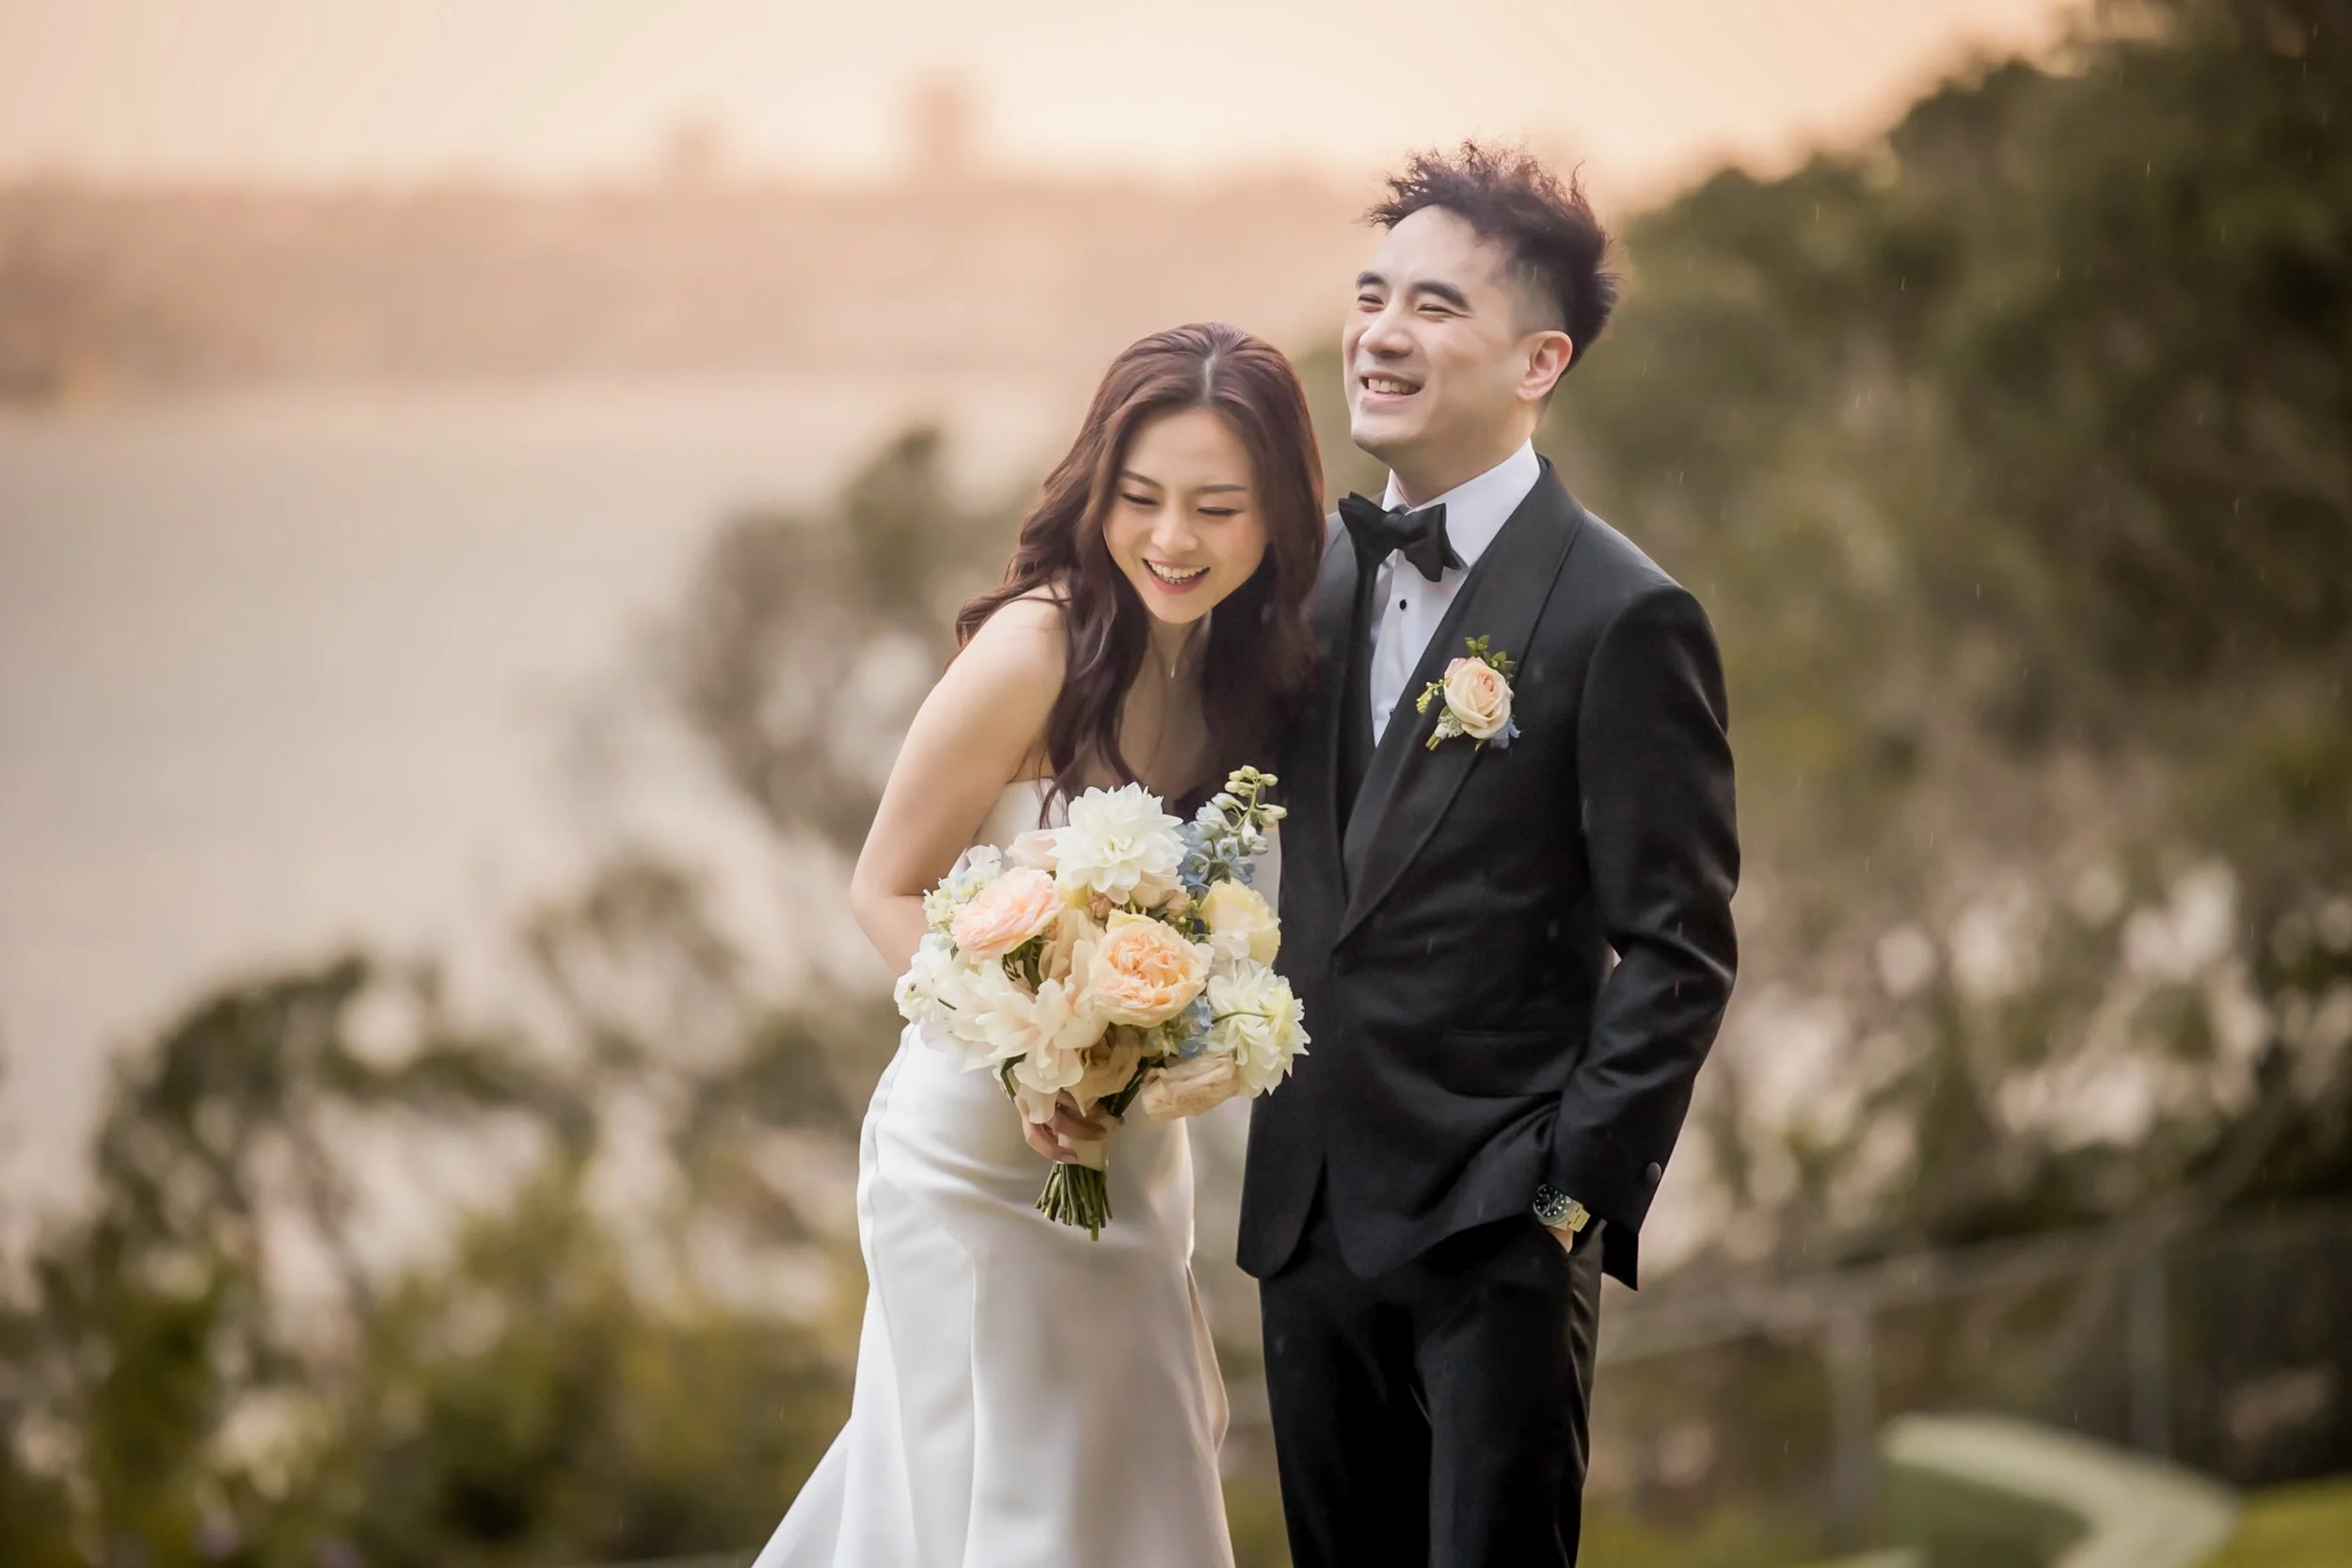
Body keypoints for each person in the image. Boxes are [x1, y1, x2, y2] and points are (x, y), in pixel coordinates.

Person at [751, 321, 1326, 1568]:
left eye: (1217, 507)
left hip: (1132, 1151)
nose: (1174, 538)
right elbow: (884, 887)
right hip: (976, 1150)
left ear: (1276, 514)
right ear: (1097, 490)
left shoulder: (1251, 661)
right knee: (993, 1488)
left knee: (1133, 1461)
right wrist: (1034, 1058)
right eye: (1143, 498)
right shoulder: (1036, 650)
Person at [1240, 142, 1741, 1568]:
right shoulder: (1317, 576)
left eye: (1437, 306)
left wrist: (1564, 1205)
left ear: (1540, 360)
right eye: (1371, 293)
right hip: (1308, 1221)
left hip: (1495, 1239)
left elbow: (1681, 946)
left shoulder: (1623, 615)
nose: (1383, 333)